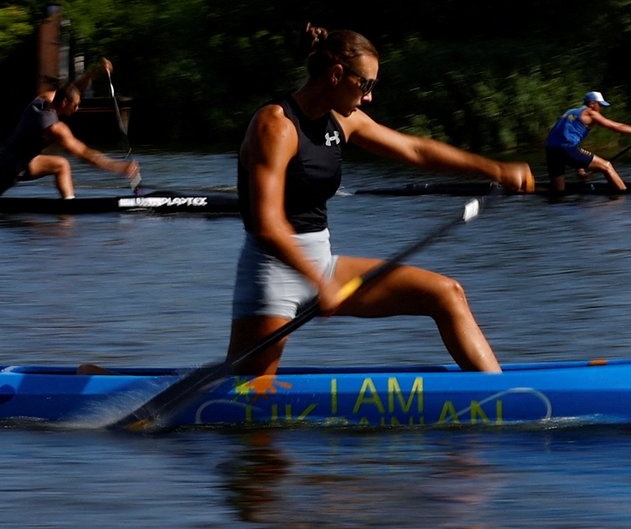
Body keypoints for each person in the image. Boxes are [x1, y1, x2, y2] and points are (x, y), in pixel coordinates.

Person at [229, 24, 535, 376]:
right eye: (366, 84)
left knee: (446, 293)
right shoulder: (276, 125)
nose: (370, 96)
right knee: (250, 399)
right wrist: (318, 281)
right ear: (336, 74)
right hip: (274, 273)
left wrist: (494, 168)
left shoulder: (342, 120)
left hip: (321, 263)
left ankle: (496, 393)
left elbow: (417, 150)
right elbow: (268, 225)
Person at [0, 58, 140, 199]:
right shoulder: (55, 128)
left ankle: (69, 206)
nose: (78, 109)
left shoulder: (46, 97)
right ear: (65, 103)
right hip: (5, 168)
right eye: (75, 106)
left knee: (61, 164)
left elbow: (72, 90)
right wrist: (120, 167)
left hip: (25, 162)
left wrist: (94, 72)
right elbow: (85, 154)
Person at [544, 91, 631, 193]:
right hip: (566, 148)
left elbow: (565, 139)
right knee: (606, 166)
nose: (600, 109)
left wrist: (580, 169)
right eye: (599, 105)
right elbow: (616, 126)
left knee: (558, 192)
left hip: (551, 149)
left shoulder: (570, 112)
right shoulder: (590, 113)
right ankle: (624, 194)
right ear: (592, 104)